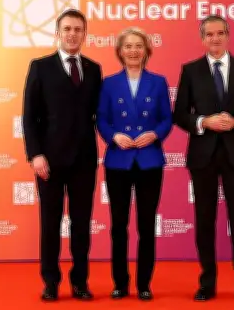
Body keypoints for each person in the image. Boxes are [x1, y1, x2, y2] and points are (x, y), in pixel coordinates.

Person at [172, 15, 234, 302]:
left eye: (220, 33)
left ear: (228, 35)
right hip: (203, 156)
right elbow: (180, 114)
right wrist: (204, 122)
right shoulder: (190, 70)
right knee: (204, 220)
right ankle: (207, 283)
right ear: (202, 38)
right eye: (209, 34)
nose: (215, 39)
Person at [22, 9, 102, 301]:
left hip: (84, 161)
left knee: (81, 224)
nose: (72, 34)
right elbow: (29, 116)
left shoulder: (93, 69)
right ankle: (51, 282)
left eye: (78, 29)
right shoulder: (40, 67)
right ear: (57, 33)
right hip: (50, 161)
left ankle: (80, 282)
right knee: (50, 224)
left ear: (85, 34)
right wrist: (35, 155)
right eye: (67, 29)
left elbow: (97, 113)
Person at [96, 27, 172, 301]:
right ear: (120, 51)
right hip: (119, 160)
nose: (133, 51)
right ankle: (120, 283)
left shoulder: (159, 82)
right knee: (118, 225)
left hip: (149, 160)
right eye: (128, 46)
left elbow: (167, 118)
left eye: (138, 46)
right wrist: (113, 136)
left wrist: (155, 134)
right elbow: (101, 118)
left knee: (146, 225)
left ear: (146, 50)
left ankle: (144, 284)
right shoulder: (109, 83)